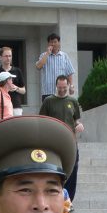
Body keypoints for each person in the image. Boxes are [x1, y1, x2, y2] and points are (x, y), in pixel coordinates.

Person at [39, 74, 85, 202]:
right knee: (55, 170)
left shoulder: (73, 102)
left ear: (68, 86)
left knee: (73, 170)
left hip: (71, 141)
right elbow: (42, 121)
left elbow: (76, 120)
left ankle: (68, 200)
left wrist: (79, 125)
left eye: (64, 87)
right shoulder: (48, 101)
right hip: (54, 143)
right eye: (60, 87)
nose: (62, 90)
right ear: (56, 86)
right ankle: (54, 198)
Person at [35, 32, 75, 101]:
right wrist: (47, 53)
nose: (53, 44)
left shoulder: (64, 56)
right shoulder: (43, 55)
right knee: (47, 112)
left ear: (59, 43)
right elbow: (38, 67)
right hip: (47, 92)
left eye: (55, 42)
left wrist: (71, 86)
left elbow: (69, 73)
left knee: (61, 111)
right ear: (48, 44)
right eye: (51, 42)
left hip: (61, 92)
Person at [0, 46, 26, 116]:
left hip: (16, 105)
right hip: (0, 106)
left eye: (10, 56)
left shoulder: (17, 71)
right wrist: (3, 89)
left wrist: (16, 88)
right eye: (6, 56)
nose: (8, 58)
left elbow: (24, 91)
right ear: (0, 57)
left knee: (17, 126)